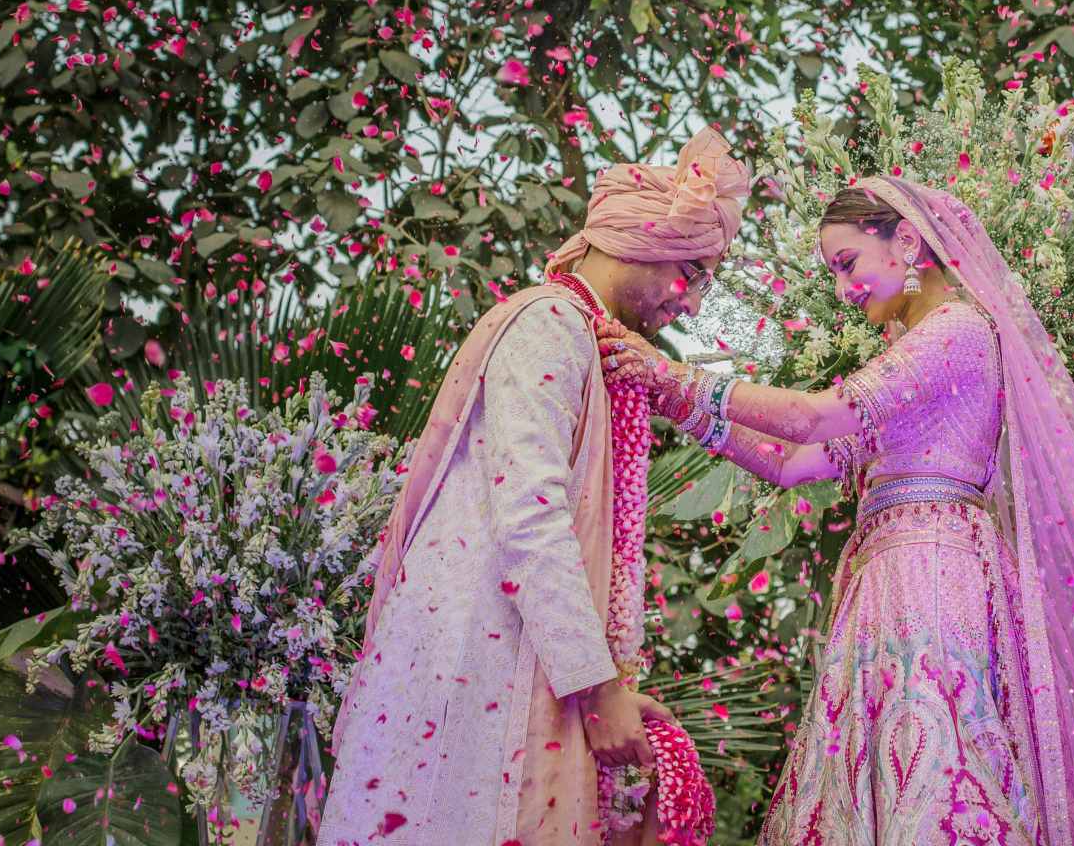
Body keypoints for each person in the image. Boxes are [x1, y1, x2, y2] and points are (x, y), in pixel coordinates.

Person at [599, 175, 1074, 845]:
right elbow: (794, 462)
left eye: (848, 264)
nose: (844, 290)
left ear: (906, 240)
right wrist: (675, 403)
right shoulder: (916, 351)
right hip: (892, 575)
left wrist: (672, 373)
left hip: (934, 570)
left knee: (936, 770)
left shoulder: (959, 331)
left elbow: (814, 417)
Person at [318, 128, 752, 846]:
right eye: (694, 276)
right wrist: (599, 688)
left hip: (520, 652)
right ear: (645, 242)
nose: (695, 307)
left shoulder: (585, 335)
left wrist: (604, 683)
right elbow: (531, 515)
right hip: (480, 655)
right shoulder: (550, 324)